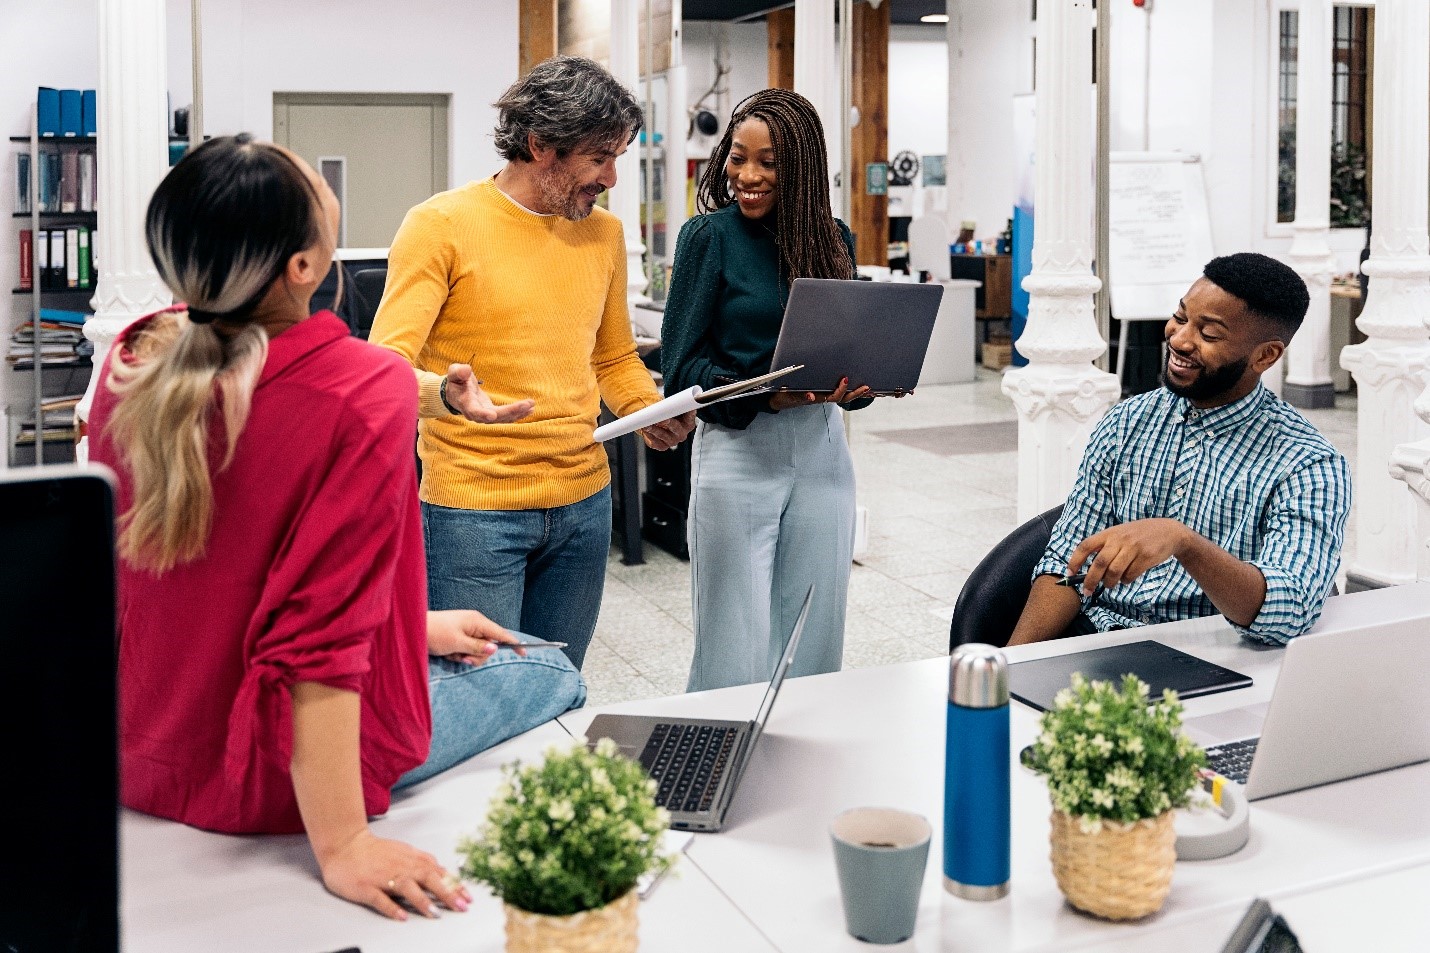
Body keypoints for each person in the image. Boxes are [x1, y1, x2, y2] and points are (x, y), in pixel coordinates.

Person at [87, 135, 584, 922]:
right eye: (312, 187)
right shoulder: (366, 391)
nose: (321, 180)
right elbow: (314, 645)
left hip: (138, 745)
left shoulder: (135, 358)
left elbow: (224, 567)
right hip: (262, 772)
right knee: (554, 671)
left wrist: (408, 627)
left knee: (467, 648)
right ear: (303, 268)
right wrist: (345, 842)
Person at [369, 56, 694, 671]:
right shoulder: (440, 225)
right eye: (600, 157)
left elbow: (614, 356)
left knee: (555, 686)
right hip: (473, 511)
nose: (613, 177)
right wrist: (445, 393)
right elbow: (384, 365)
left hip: (583, 502)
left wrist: (647, 411)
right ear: (540, 144)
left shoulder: (602, 235)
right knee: (480, 695)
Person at [661, 88, 897, 692]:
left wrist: (861, 383)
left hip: (822, 454)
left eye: (768, 162)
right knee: (733, 646)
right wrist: (766, 395)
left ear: (801, 169)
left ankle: (803, 767)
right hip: (738, 456)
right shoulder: (707, 238)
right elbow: (683, 370)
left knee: (816, 637)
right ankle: (718, 764)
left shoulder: (833, 237)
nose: (748, 175)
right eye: (738, 158)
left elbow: (845, 354)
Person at [1007, 253, 1352, 647]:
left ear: (1265, 355)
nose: (1179, 338)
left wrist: (1185, 543)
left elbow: (1289, 612)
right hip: (1097, 640)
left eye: (1209, 334)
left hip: (1210, 655)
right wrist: (1009, 670)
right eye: (1181, 316)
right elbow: (1066, 565)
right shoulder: (1127, 421)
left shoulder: (1307, 464)